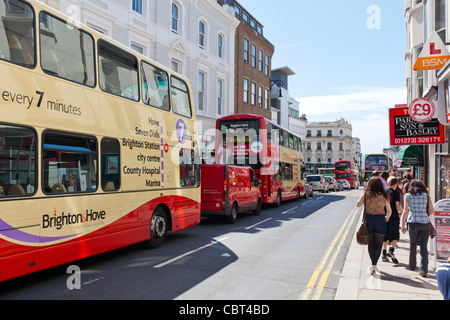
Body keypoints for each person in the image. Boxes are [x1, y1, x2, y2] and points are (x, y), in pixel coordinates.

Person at [357, 177, 392, 275]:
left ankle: (372, 264)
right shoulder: (384, 195)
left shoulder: (366, 194)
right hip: (380, 220)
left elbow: (358, 205)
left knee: (371, 243)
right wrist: (386, 218)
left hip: (368, 220)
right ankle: (374, 264)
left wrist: (362, 197)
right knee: (378, 244)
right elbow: (389, 211)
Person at [401, 180, 434, 277]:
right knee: (424, 247)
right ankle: (424, 270)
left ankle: (412, 266)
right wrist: (425, 215)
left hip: (413, 222)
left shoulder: (407, 196)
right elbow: (432, 211)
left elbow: (405, 211)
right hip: (425, 223)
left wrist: (402, 224)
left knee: (413, 244)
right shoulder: (426, 196)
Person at [382, 177, 403, 264]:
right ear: (395, 184)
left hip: (385, 216)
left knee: (385, 235)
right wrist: (404, 211)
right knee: (395, 235)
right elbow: (397, 206)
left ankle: (383, 255)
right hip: (394, 216)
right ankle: (391, 250)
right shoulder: (396, 193)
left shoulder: (384, 192)